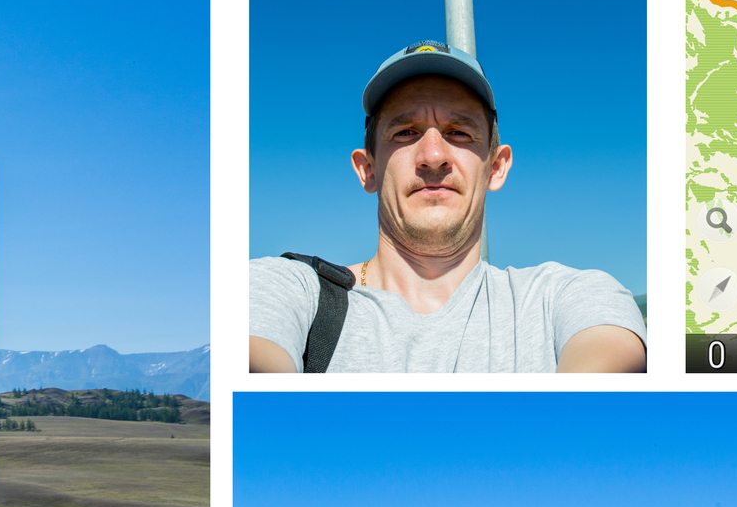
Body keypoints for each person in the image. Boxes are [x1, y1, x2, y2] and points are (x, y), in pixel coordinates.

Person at [250, 41, 646, 372]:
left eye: (459, 132)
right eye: (406, 132)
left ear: (496, 167)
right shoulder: (286, 291)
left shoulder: (565, 298)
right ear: (367, 169)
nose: (434, 155)